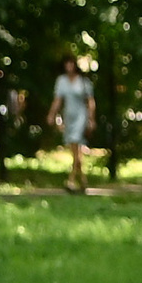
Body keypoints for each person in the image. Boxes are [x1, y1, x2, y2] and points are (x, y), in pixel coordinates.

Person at [47, 55, 94, 190]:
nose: (69, 67)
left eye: (71, 64)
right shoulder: (61, 81)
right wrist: (52, 114)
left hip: (81, 116)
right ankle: (83, 179)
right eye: (67, 64)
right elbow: (58, 100)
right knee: (75, 148)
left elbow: (90, 101)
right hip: (69, 117)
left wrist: (91, 118)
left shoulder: (83, 81)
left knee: (75, 142)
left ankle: (71, 179)